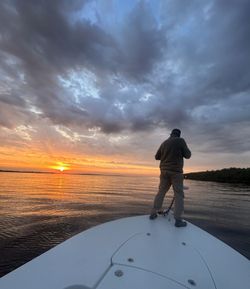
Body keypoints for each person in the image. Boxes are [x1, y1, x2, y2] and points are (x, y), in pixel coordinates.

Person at [149, 128, 191, 227]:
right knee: (179, 195)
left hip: (164, 172)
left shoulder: (164, 143)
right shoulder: (181, 141)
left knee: (161, 192)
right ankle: (178, 220)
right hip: (176, 173)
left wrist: (166, 154)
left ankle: (153, 213)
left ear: (171, 134)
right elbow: (188, 155)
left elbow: (157, 157)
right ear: (179, 135)